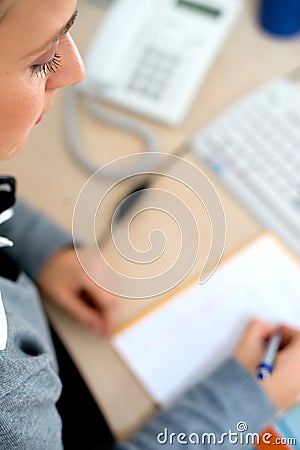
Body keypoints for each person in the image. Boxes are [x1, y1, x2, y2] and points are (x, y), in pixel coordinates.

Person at [0, 1, 300, 449]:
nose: (76, 71)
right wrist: (243, 401)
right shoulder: (13, 399)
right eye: (44, 59)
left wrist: (39, 249)